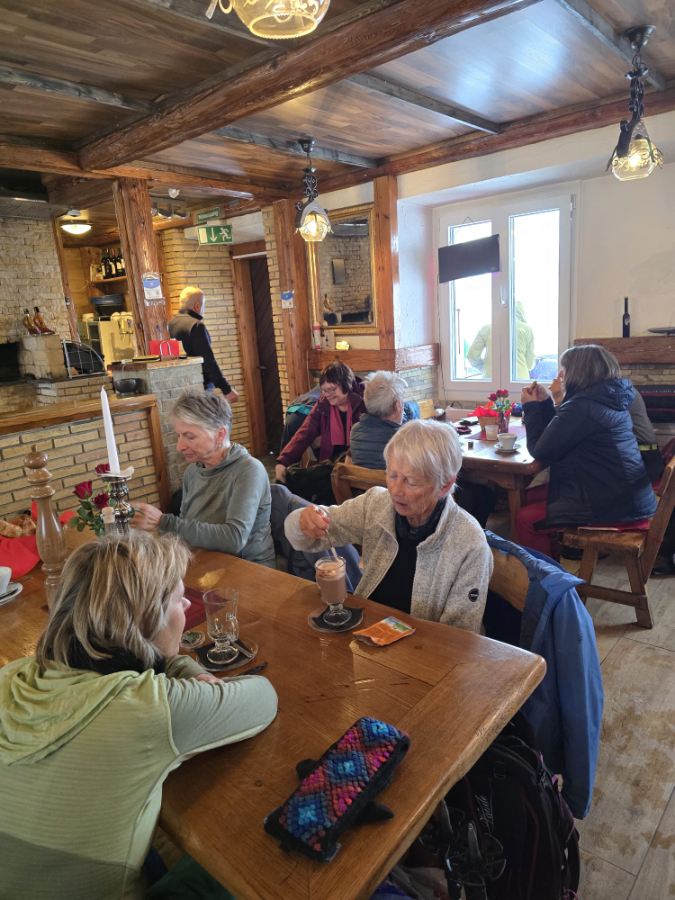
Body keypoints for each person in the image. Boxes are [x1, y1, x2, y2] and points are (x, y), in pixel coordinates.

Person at [0, 531, 277, 900]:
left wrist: (154, 654)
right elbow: (263, 697)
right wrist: (176, 663)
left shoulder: (13, 674)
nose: (185, 607)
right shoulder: (142, 705)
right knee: (243, 854)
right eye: (178, 600)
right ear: (146, 622)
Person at [284, 419, 493, 633]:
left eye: (411, 482)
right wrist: (303, 521)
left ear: (445, 484)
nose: (395, 490)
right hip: (366, 632)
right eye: (392, 475)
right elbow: (307, 537)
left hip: (423, 649)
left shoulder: (469, 543)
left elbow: (458, 637)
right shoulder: (376, 504)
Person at [516, 344, 657, 556]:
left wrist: (530, 407)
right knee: (523, 498)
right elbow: (557, 436)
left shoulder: (583, 406)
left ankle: (546, 576)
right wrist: (544, 403)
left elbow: (540, 450)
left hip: (615, 505)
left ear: (580, 372)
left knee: (524, 520)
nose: (561, 374)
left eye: (565, 368)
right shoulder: (606, 397)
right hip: (619, 492)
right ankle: (555, 558)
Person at [133, 389, 276, 568]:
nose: (179, 446)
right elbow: (185, 527)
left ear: (219, 435)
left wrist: (163, 522)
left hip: (249, 568)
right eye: (178, 436)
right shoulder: (192, 472)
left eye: (189, 436)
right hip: (205, 562)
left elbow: (234, 539)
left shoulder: (248, 470)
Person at [550, 371, 664, 485]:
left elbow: (571, 428)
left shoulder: (613, 393)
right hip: (637, 459)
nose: (561, 374)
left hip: (642, 464)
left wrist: (560, 400)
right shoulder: (612, 388)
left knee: (569, 468)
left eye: (568, 369)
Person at [275, 361, 366, 484]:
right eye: (324, 390)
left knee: (311, 478)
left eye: (332, 389)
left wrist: (349, 457)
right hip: (331, 460)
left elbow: (366, 435)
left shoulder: (364, 400)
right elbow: (304, 432)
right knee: (303, 479)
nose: (328, 395)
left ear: (346, 384)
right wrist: (283, 460)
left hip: (356, 459)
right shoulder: (323, 402)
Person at [169, 285, 239, 404]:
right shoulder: (196, 326)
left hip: (179, 388)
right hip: (200, 388)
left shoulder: (170, 324)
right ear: (197, 306)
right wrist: (226, 389)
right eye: (204, 305)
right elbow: (207, 361)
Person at [349, 370, 406, 469]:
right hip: (389, 480)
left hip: (363, 479)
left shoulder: (355, 430)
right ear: (398, 406)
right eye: (402, 401)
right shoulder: (403, 438)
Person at [467, 303, 535, 380]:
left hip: (491, 377)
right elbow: (529, 364)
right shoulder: (527, 330)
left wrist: (485, 367)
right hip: (519, 379)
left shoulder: (487, 329)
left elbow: (471, 355)